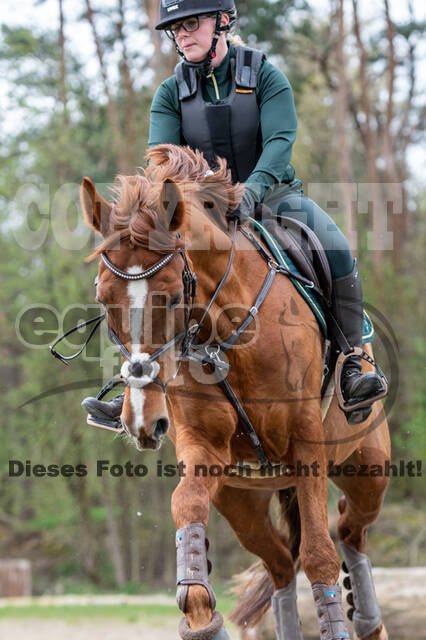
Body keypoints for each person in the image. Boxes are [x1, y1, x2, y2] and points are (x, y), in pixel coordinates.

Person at [82, 0, 385, 427]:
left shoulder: (265, 75)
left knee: (335, 247)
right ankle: (135, 386)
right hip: (200, 211)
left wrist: (252, 189)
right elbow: (162, 161)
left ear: (222, 22)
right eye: (176, 28)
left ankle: (353, 364)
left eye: (191, 23)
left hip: (274, 196)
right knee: (139, 271)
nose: (182, 34)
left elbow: (280, 141)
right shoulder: (170, 93)